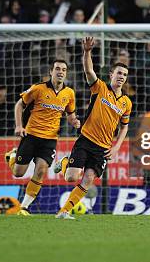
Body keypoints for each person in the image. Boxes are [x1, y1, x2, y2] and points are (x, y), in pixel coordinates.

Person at [53, 37, 132, 219]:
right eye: (119, 73)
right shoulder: (100, 88)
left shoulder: (126, 103)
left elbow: (124, 128)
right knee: (71, 178)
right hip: (86, 140)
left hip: (103, 148)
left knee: (88, 181)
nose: (121, 77)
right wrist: (87, 52)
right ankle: (65, 162)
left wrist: (117, 147)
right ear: (111, 74)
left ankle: (63, 212)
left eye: (124, 75)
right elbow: (89, 70)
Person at [4, 60, 80, 215]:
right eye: (57, 69)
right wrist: (19, 126)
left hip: (50, 139)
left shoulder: (69, 93)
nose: (60, 72)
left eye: (64, 70)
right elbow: (19, 104)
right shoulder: (38, 88)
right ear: (51, 71)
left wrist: (75, 122)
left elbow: (70, 115)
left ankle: (24, 207)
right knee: (18, 173)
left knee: (41, 170)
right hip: (31, 135)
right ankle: (12, 156)